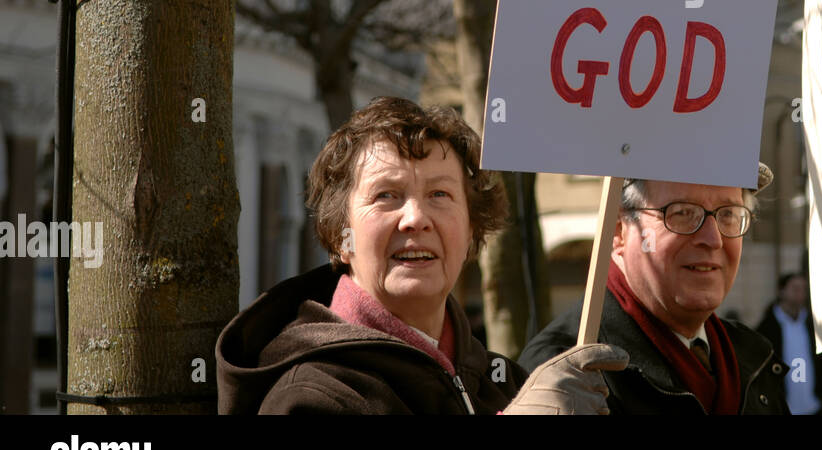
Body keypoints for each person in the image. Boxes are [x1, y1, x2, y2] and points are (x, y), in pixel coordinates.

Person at [217, 97, 626, 414]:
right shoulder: (311, 396)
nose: (415, 218)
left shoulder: (506, 383)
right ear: (342, 237)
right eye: (386, 196)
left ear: (470, 232)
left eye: (440, 195)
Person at [519, 166, 789, 415]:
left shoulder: (751, 355)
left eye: (729, 214)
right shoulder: (562, 371)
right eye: (683, 213)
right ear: (618, 232)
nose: (713, 239)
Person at [757, 272, 822, 414]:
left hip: (813, 405)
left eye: (803, 289)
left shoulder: (813, 324)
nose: (801, 294)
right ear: (781, 291)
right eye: (795, 289)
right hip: (782, 407)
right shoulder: (767, 328)